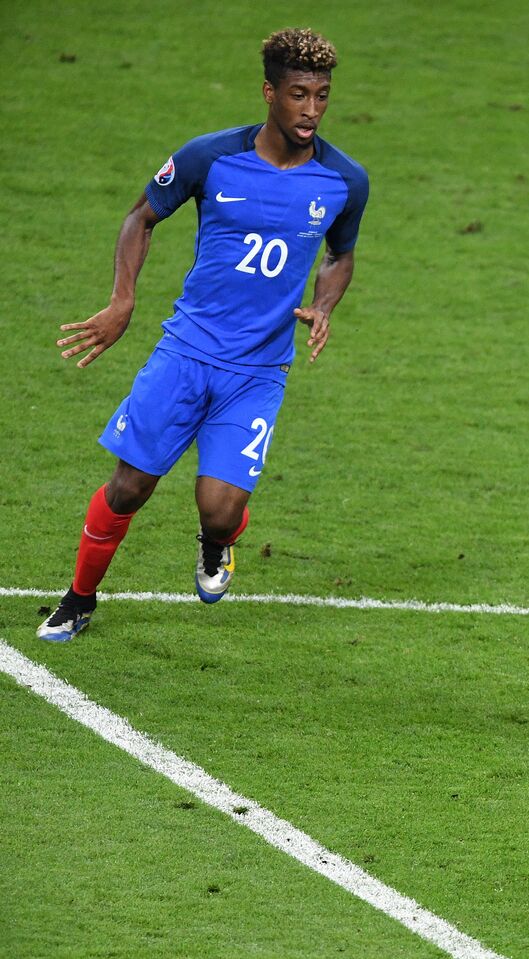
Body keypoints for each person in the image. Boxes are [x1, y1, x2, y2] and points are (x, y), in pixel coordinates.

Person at [37, 28, 369, 642]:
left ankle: (216, 546)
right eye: (299, 95)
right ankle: (78, 600)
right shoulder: (207, 157)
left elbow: (339, 255)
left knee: (220, 512)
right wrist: (123, 300)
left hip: (258, 372)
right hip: (185, 353)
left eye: (322, 96)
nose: (313, 110)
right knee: (131, 485)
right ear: (270, 93)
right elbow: (142, 216)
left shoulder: (344, 180)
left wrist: (324, 304)